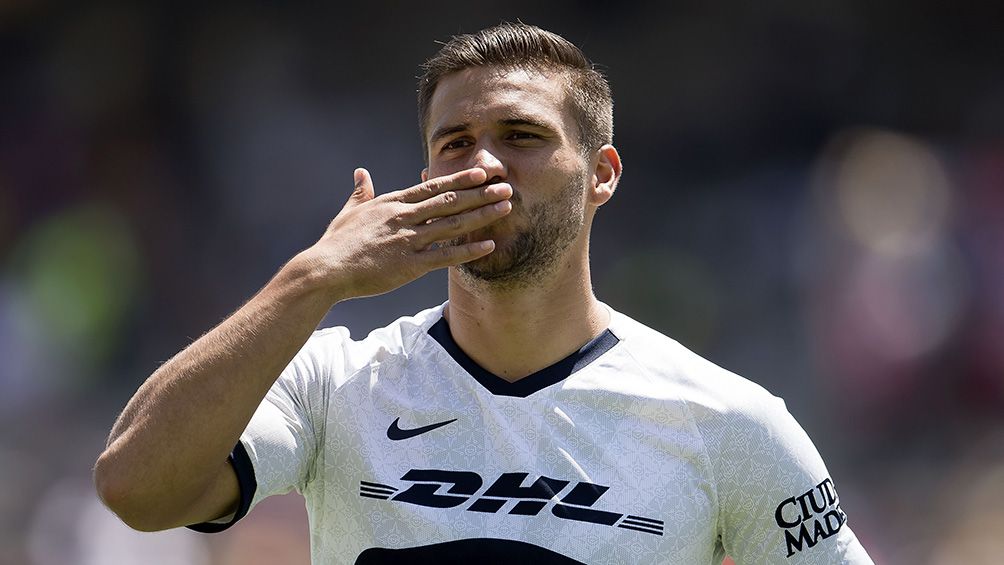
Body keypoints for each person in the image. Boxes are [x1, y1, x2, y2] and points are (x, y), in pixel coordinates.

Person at [94, 22, 873, 564]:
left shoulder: (729, 422)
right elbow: (136, 487)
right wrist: (312, 278)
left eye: (523, 136)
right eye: (455, 143)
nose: (484, 165)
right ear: (428, 174)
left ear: (602, 172)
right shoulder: (335, 381)